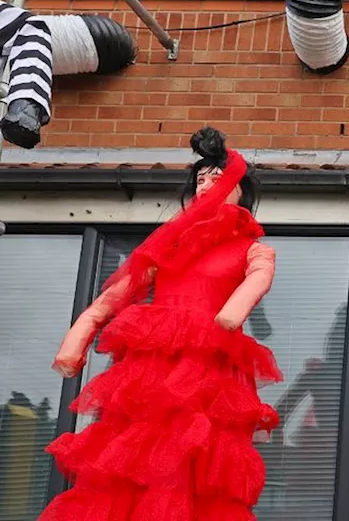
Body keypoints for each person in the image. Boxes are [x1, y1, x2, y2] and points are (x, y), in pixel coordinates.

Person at [40, 126, 283, 520]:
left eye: (217, 179)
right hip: (153, 363)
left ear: (240, 189)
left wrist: (232, 312)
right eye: (200, 179)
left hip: (209, 363)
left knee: (191, 455)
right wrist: (81, 333)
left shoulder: (252, 248)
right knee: (137, 454)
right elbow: (117, 294)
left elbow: (258, 277)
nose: (206, 186)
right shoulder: (168, 246)